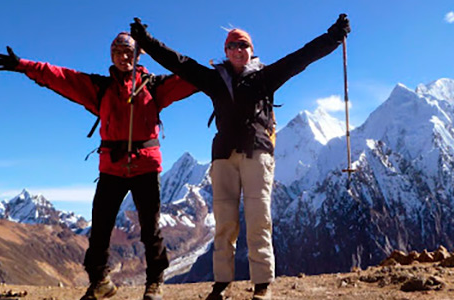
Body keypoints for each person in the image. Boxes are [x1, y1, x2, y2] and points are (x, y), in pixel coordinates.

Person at [129, 14, 350, 300]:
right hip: (223, 157)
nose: (237, 50)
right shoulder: (213, 79)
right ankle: (222, 282)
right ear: (225, 51)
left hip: (256, 153)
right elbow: (178, 62)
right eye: (232, 45)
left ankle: (262, 285)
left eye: (242, 45)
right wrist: (146, 41)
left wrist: (332, 37)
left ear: (251, 50)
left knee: (259, 219)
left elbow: (301, 58)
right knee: (225, 222)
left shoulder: (264, 77)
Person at [0, 32, 197, 300]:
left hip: (145, 167)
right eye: (117, 52)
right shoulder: (100, 88)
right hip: (112, 168)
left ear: (138, 56)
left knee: (151, 230)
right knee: (100, 229)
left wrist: (223, 70)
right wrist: (22, 65)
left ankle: (154, 282)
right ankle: (101, 281)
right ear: (111, 56)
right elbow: (60, 76)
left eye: (128, 52)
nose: (123, 57)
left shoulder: (154, 87)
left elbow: (192, 77)